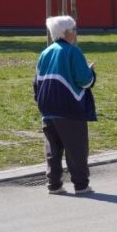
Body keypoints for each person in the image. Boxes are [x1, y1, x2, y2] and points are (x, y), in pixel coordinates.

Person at [34, 15, 97, 194]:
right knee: (76, 148)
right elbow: (84, 80)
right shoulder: (73, 51)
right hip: (69, 107)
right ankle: (81, 184)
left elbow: (36, 81)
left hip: (47, 107)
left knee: (52, 150)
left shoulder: (45, 52)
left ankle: (54, 184)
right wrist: (91, 72)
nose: (76, 33)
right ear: (65, 32)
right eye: (74, 29)